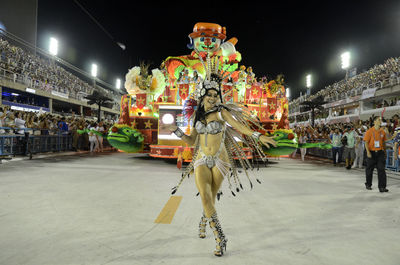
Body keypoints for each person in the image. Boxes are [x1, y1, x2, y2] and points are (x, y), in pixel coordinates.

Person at [164, 57, 276, 256]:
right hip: (200, 159)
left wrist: (258, 136)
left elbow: (240, 126)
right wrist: (177, 131)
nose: (213, 97)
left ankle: (203, 220)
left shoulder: (222, 113)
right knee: (206, 197)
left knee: (210, 198)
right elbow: (191, 142)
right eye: (210, 94)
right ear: (202, 95)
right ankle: (220, 237)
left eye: (216, 94)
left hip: (220, 160)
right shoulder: (197, 116)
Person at [363, 116, 388, 192]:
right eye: (378, 120)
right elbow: (366, 143)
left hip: (380, 152)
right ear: (374, 122)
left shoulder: (382, 132)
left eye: (380, 120)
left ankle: (382, 187)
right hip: (371, 152)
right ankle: (368, 184)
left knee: (381, 169)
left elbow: (383, 142)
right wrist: (368, 152)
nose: (380, 121)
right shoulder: (369, 131)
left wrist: (385, 151)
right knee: (369, 170)